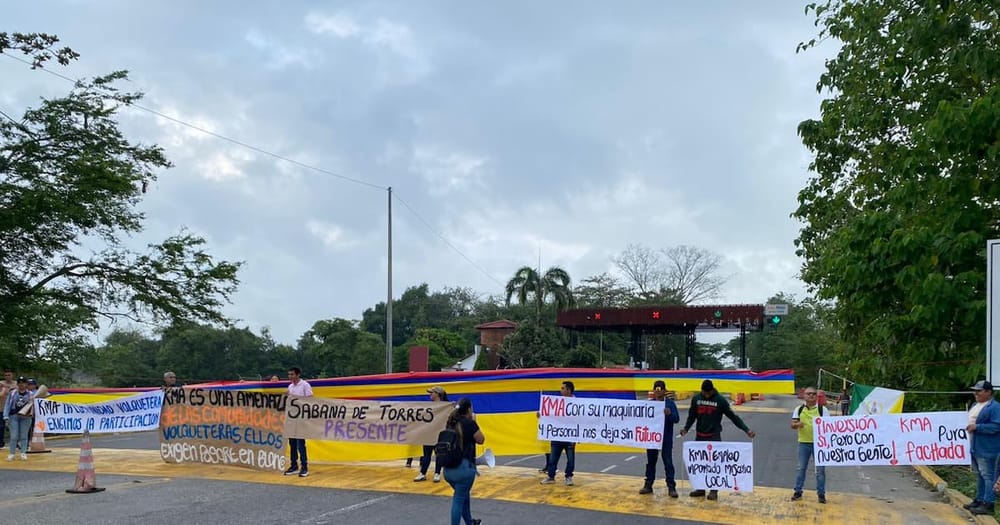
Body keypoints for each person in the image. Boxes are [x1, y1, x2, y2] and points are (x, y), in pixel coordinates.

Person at [680, 379, 756, 500]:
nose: (706, 395)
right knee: (700, 464)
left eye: (708, 393)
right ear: (701, 391)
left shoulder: (720, 400)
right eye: (704, 393)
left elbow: (733, 417)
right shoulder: (696, 399)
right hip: (700, 436)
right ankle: (700, 488)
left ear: (712, 390)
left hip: (714, 436)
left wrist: (746, 430)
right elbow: (691, 416)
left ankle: (714, 490)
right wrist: (686, 428)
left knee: (714, 465)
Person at [442, 397, 485, 525]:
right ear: (469, 409)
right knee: (459, 500)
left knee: (463, 496)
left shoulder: (451, 422)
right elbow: (481, 439)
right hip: (464, 469)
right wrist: (474, 422)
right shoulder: (470, 423)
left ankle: (470, 522)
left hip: (448, 469)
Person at [639, 380, 680, 497]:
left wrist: (669, 414)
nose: (658, 392)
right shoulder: (650, 404)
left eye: (660, 390)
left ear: (664, 391)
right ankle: (648, 485)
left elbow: (676, 419)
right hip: (652, 438)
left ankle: (671, 487)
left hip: (665, 438)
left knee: (668, 462)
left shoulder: (670, 404)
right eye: (656, 390)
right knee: (651, 462)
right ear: (653, 391)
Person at [965, 380, 1000, 515]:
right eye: (975, 391)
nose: (976, 394)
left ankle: (988, 503)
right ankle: (979, 499)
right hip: (975, 446)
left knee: (988, 475)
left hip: (988, 448)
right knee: (980, 474)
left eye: (979, 391)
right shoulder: (975, 405)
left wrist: (977, 427)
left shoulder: (994, 407)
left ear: (988, 392)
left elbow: (996, 426)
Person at [791, 387, 826, 504]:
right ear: (804, 396)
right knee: (801, 468)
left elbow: (829, 427)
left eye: (813, 394)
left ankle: (821, 494)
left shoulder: (823, 410)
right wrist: (797, 424)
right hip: (804, 442)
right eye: (808, 394)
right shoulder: (799, 409)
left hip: (819, 444)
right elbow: (792, 424)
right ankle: (798, 492)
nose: (811, 396)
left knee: (820, 470)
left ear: (816, 396)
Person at [541, 381, 576, 486]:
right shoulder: (557, 402)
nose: (560, 390)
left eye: (562, 388)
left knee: (570, 459)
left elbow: (580, 420)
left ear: (568, 390)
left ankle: (568, 477)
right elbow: (549, 414)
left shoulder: (577, 403)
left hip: (569, 436)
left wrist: (577, 436)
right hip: (557, 435)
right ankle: (551, 477)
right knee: (553, 458)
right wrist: (541, 415)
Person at [415, 386, 449, 482]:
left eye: (432, 392)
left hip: (440, 434)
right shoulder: (429, 406)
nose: (430, 394)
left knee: (439, 454)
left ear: (438, 394)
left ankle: (437, 473)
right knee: (426, 455)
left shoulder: (446, 406)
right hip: (428, 433)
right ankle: (422, 473)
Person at [284, 367, 313, 478]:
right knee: (292, 443)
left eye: (292, 374)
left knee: (300, 443)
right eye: (289, 374)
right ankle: (294, 465)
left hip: (301, 418)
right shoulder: (290, 387)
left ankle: (304, 467)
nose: (290, 376)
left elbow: (311, 399)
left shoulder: (305, 385)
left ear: (298, 374)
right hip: (292, 418)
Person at [3, 377, 33, 461]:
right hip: (14, 416)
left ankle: (23, 453)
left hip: (26, 416)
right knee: (14, 436)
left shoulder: (31, 394)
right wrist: (5, 415)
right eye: (19, 383)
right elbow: (7, 404)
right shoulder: (12, 393)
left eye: (23, 383)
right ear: (17, 384)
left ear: (26, 384)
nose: (21, 384)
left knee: (24, 435)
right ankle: (12, 453)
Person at [0, 370, 15, 447]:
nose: (7, 377)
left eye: (9, 375)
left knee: (14, 426)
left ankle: (16, 442)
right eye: (6, 375)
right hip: (2, 408)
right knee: (1, 426)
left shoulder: (16, 384)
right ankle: (1, 442)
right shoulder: (1, 384)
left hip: (13, 409)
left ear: (12, 375)